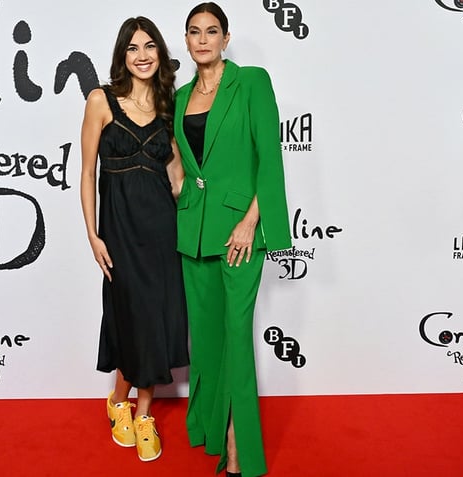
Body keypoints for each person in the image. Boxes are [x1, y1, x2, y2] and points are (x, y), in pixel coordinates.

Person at [173, 3, 292, 476]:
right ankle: (209, 427)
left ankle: (240, 447)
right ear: (185, 40)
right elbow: (183, 166)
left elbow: (270, 157)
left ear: (226, 37)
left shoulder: (252, 82)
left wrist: (251, 221)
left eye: (212, 31)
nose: (203, 39)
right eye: (194, 32)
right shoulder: (180, 96)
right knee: (205, 340)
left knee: (237, 339)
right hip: (193, 233)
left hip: (239, 233)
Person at [79, 16, 189, 463]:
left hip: (162, 231)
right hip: (120, 233)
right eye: (132, 48)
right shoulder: (100, 100)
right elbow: (86, 173)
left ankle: (141, 412)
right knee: (130, 317)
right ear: (122, 56)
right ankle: (118, 400)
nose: (142, 55)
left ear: (160, 53)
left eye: (149, 46)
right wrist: (92, 234)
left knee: (155, 320)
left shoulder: (168, 108)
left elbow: (178, 177)